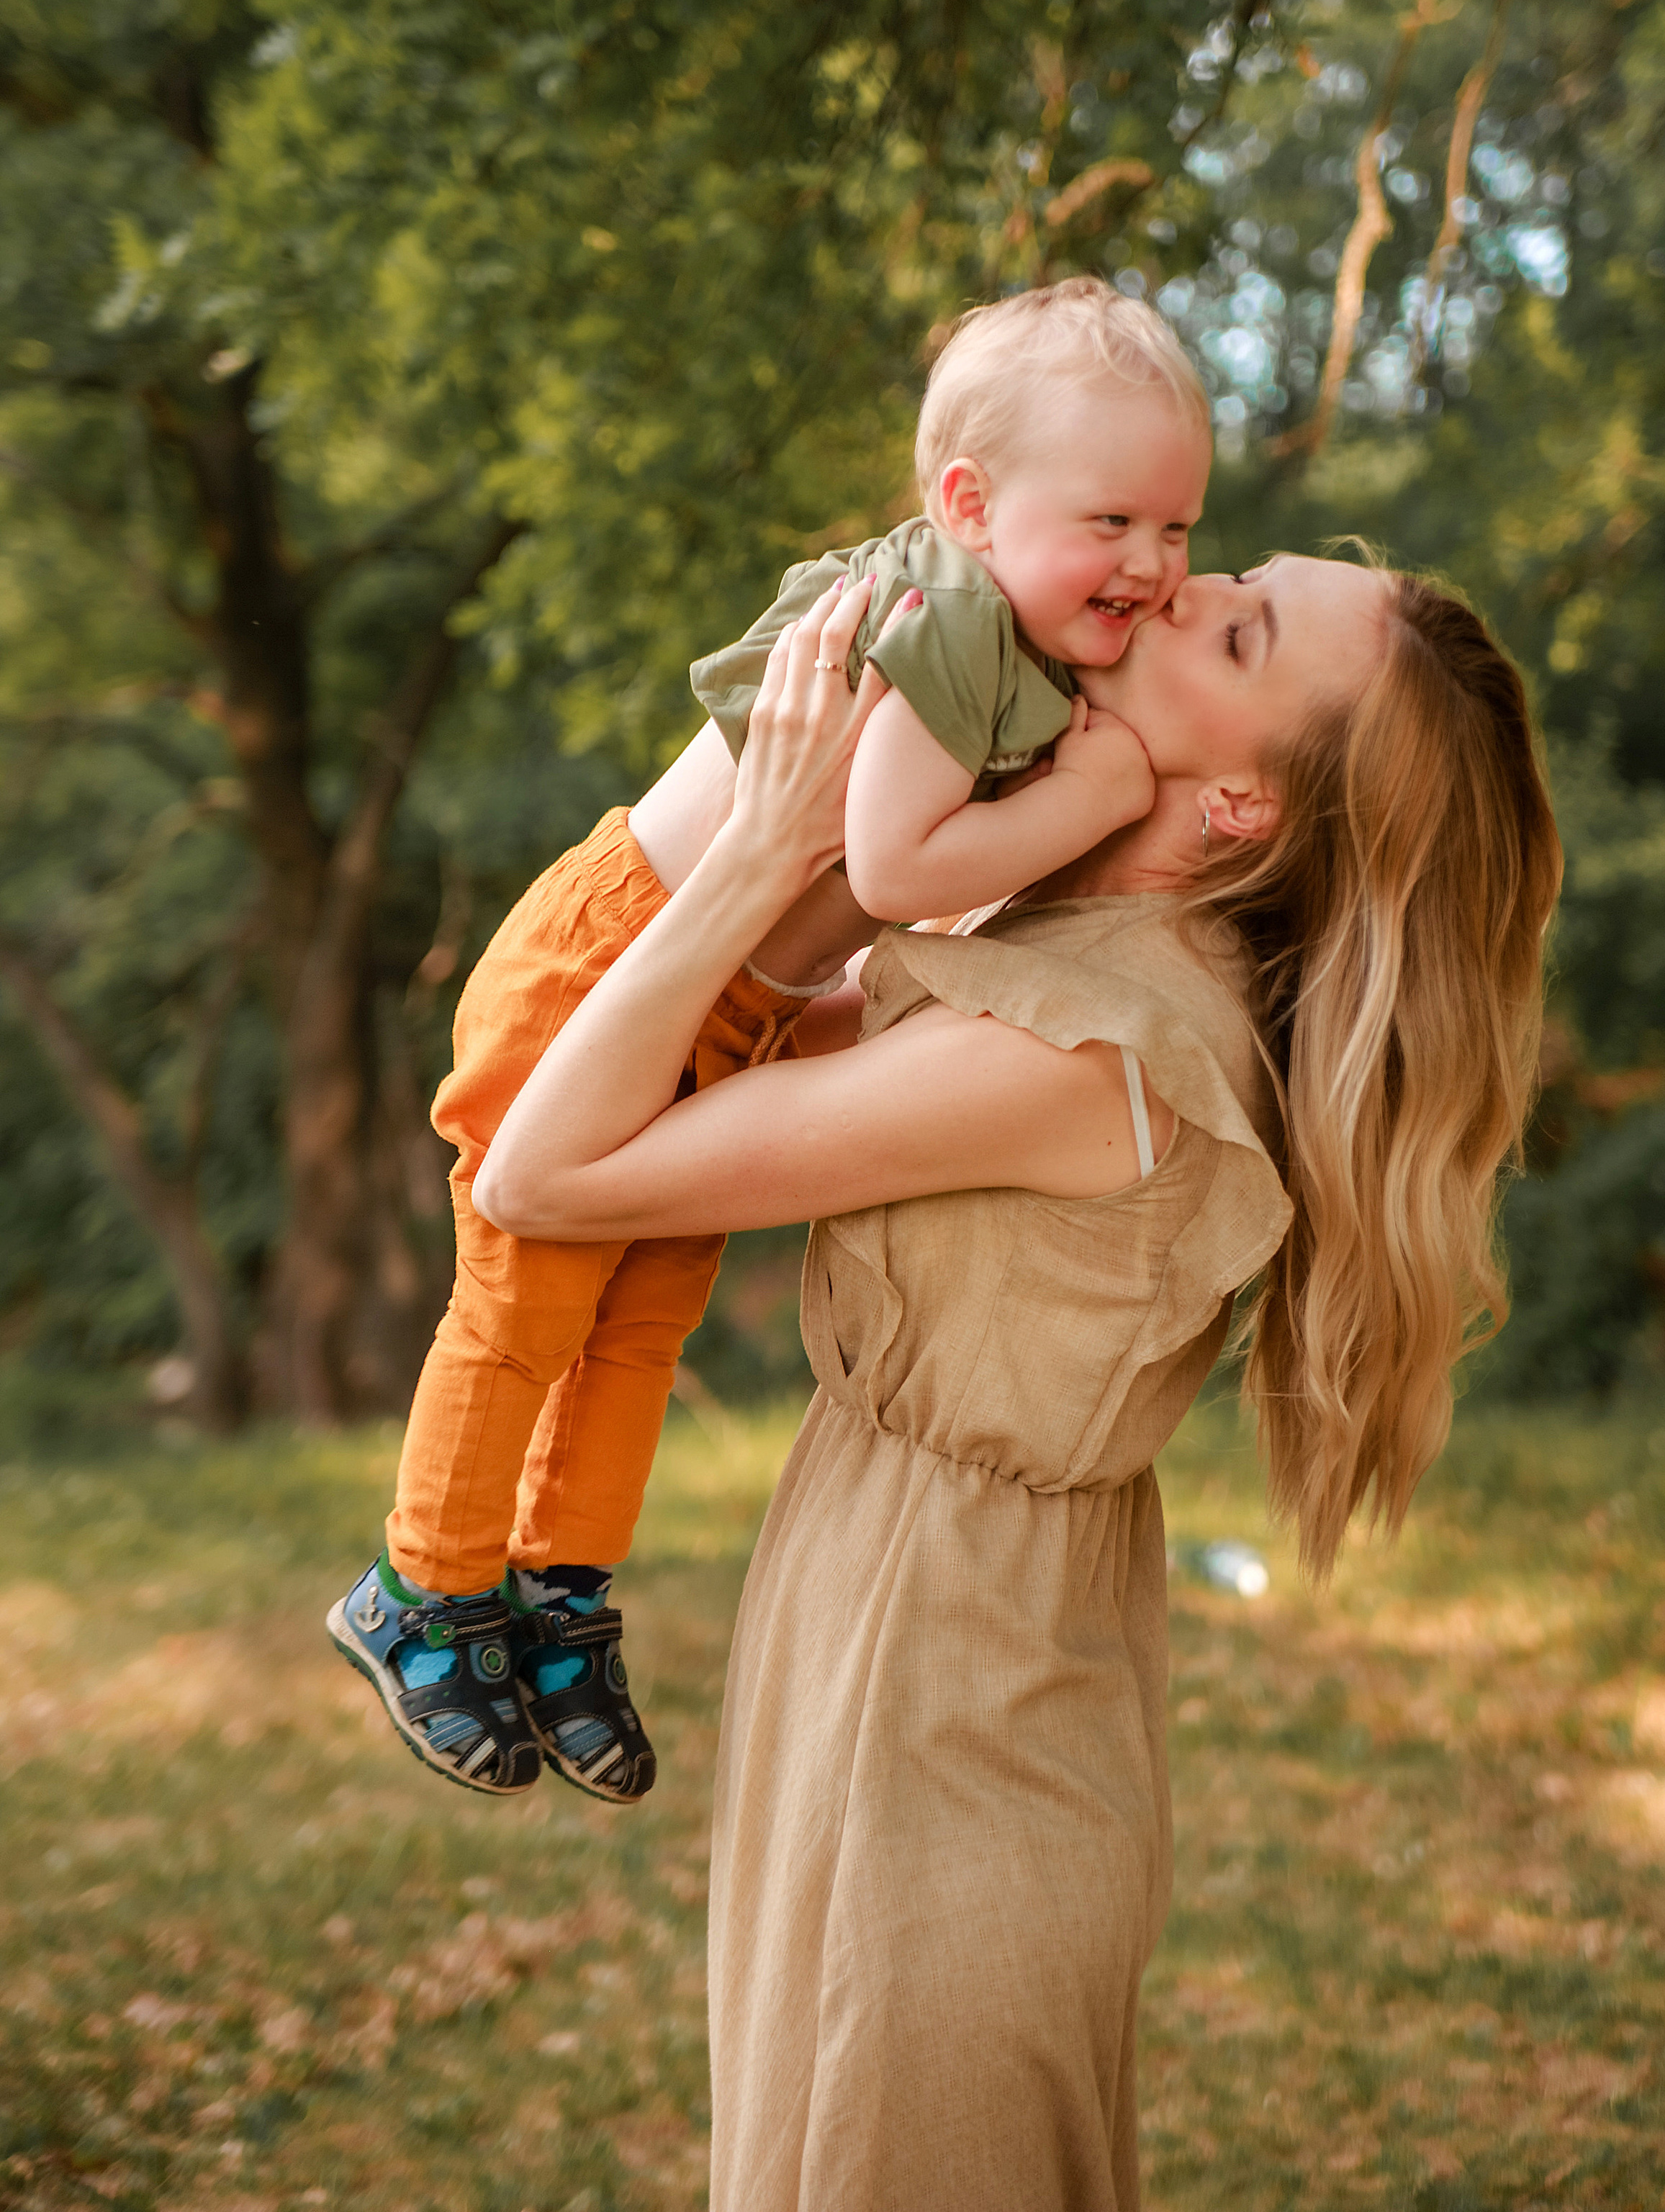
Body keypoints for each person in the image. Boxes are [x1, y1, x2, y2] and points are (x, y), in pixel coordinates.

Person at [471, 554, 1564, 2212]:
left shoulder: (1083, 1044)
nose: (1174, 588)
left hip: (939, 1686)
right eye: (1229, 572)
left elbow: (542, 1172)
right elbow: (744, 1038)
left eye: (1238, 633)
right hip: (920, 1614)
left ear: (1238, 808)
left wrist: (763, 843)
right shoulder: (1075, 943)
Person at [326, 280, 1211, 1806]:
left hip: (735, 1006)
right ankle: (420, 1588)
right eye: (1113, 521)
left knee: (640, 1324)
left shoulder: (1029, 645)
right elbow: (896, 868)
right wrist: (1093, 794)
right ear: (968, 506)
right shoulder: (944, 617)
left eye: (1178, 528)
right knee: (527, 1307)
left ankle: (554, 1594)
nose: (1149, 562)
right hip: (609, 963)